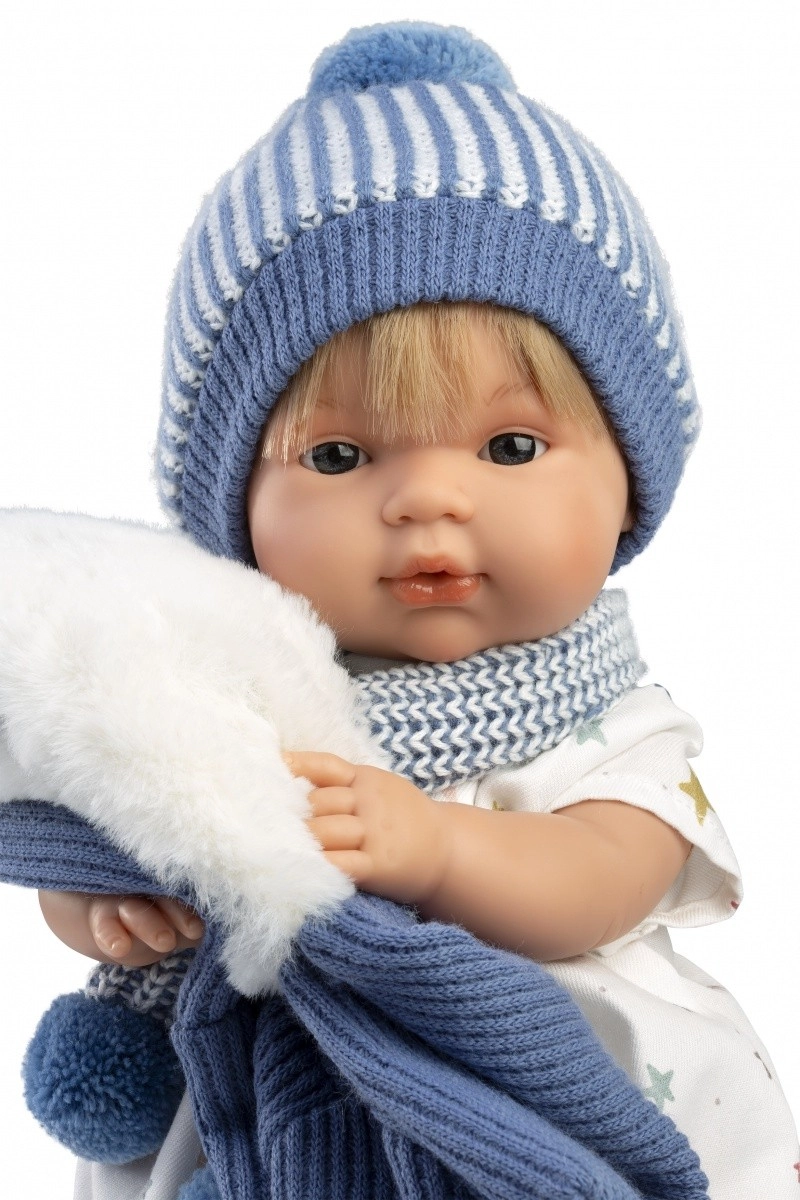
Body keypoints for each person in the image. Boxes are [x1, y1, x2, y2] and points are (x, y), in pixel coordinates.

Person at [34, 20, 799, 1197]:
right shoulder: (205, 706)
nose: (429, 500)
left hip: (547, 1099)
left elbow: (604, 876)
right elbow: (101, 827)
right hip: (264, 1118)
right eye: (339, 457)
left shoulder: (608, 728)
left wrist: (439, 849)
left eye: (509, 446)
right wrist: (101, 907)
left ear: (627, 481)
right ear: (236, 510)